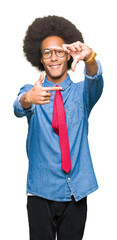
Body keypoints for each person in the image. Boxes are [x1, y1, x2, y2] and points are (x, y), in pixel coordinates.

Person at [13, 15, 103, 240]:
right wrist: (28, 98)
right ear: (40, 59)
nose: (53, 57)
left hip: (76, 193)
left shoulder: (82, 93)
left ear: (67, 55)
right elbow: (18, 106)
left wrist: (90, 57)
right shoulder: (33, 92)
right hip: (40, 193)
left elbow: (95, 78)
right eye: (47, 52)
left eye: (59, 51)